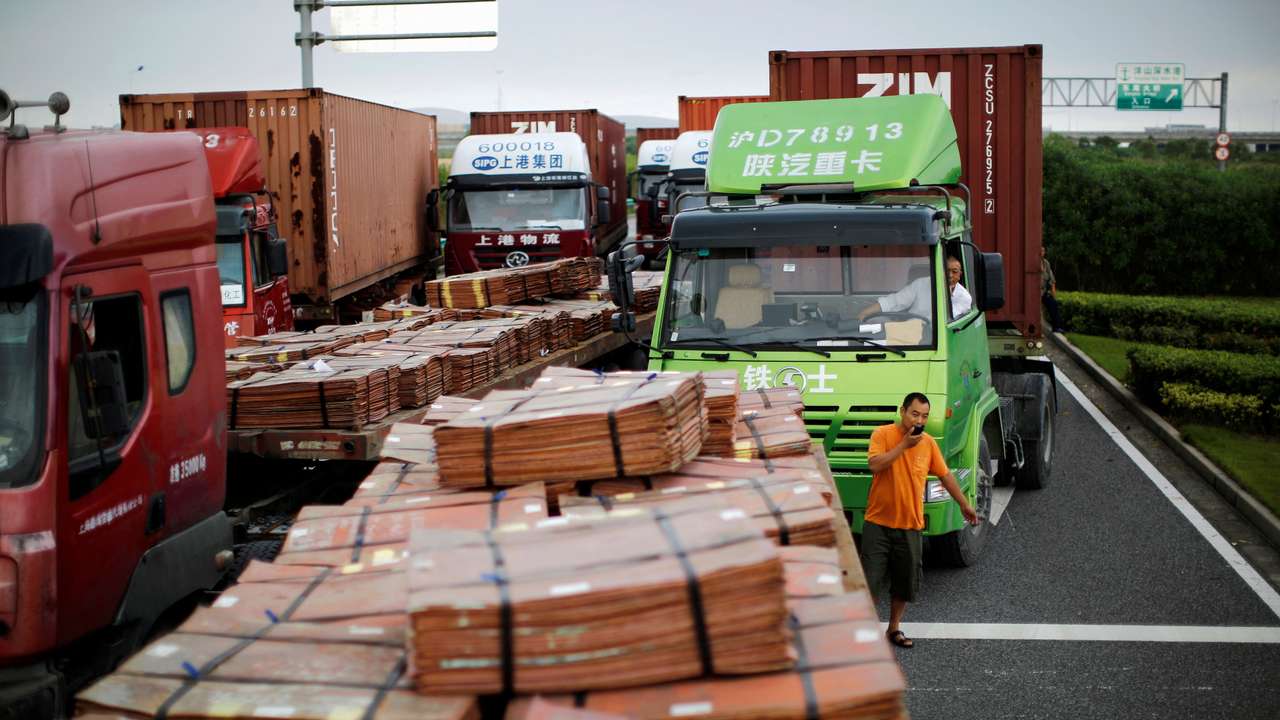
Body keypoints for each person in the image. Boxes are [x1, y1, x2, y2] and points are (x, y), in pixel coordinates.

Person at [860, 392, 979, 649]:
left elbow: (946, 476)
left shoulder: (927, 443)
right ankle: (867, 634)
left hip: (910, 525)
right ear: (902, 411)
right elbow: (875, 465)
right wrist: (903, 445)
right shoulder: (882, 434)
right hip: (878, 523)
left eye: (924, 416)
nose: (919, 420)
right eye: (915, 414)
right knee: (869, 581)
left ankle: (894, 629)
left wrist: (964, 504)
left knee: (905, 583)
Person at [857, 256, 971, 322]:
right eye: (946, 271)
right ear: (939, 270)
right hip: (908, 332)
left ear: (960, 274)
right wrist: (865, 313)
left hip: (934, 338)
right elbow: (895, 301)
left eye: (954, 272)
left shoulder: (964, 298)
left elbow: (941, 320)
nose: (950, 275)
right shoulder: (921, 283)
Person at [1040, 246, 1065, 333]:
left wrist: (1054, 295)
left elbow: (1052, 280)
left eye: (1043, 250)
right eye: (1040, 250)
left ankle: (1057, 327)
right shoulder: (1034, 262)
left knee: (1053, 304)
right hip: (1034, 293)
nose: (1042, 252)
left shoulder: (1046, 263)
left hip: (1044, 292)